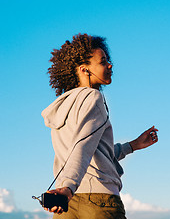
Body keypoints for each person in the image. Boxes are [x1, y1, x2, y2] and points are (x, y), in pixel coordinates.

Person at [41, 33, 158, 219]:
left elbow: (92, 150)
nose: (110, 65)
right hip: (97, 200)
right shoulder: (93, 98)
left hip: (67, 205)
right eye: (103, 62)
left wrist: (132, 145)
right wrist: (69, 188)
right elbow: (84, 146)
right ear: (84, 70)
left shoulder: (63, 106)